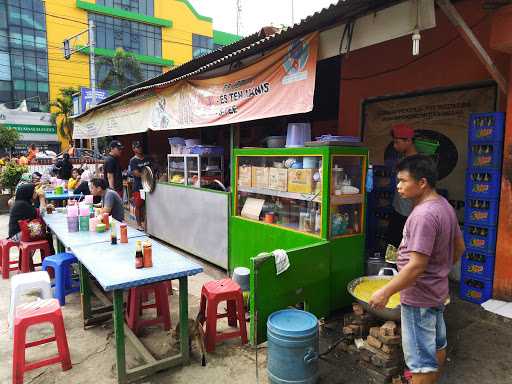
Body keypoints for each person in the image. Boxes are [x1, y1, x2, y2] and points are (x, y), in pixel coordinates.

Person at [369, 155, 465, 384]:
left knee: (421, 363)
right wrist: (439, 271)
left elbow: (416, 266)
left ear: (422, 182)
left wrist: (385, 291)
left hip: (419, 298)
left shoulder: (423, 215)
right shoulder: (443, 205)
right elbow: (460, 247)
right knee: (437, 345)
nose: (398, 186)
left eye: (403, 181)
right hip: (437, 292)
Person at [387, 123, 419, 248]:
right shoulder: (403, 159)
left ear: (408, 141)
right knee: (393, 245)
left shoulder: (417, 163)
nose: (395, 146)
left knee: (403, 247)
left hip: (408, 213)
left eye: (397, 142)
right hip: (398, 208)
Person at [128, 141, 151, 230]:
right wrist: (148, 176)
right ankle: (139, 225)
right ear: (133, 149)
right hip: (138, 186)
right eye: (137, 147)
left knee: (148, 205)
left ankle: (147, 224)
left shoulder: (147, 158)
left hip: (149, 185)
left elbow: (153, 167)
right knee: (138, 205)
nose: (139, 148)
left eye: (140, 146)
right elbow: (136, 173)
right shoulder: (133, 160)